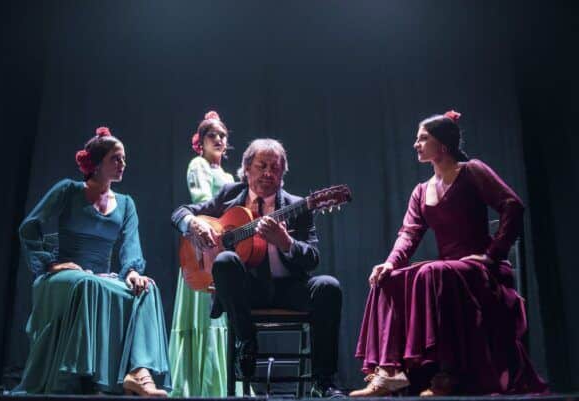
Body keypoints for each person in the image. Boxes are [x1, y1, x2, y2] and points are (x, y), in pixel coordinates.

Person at [350, 111, 548, 396]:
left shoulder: (472, 171)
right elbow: (408, 234)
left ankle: (447, 375)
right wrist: (390, 262)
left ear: (443, 145)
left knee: (432, 271)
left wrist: (492, 255)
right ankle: (389, 371)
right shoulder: (421, 190)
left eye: (422, 139)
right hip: (448, 270)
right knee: (387, 278)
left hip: (481, 269)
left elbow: (512, 206)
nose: (416, 144)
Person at [171, 139, 344, 397]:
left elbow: (312, 258)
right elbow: (180, 212)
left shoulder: (298, 207)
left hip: (288, 289)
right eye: (262, 166)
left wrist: (287, 244)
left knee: (328, 286)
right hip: (245, 293)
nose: (268, 173)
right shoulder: (229, 196)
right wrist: (192, 223)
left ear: (282, 174)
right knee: (224, 261)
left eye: (275, 168)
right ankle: (246, 342)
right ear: (246, 168)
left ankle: (323, 381)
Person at [16, 127, 170, 396]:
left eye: (124, 159)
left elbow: (131, 244)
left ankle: (138, 371)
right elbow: (29, 226)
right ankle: (84, 378)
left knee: (148, 288)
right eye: (116, 158)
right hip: (65, 277)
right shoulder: (68, 191)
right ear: (96, 164)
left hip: (101, 277)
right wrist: (50, 264)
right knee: (88, 283)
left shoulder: (125, 203)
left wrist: (133, 271)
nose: (123, 164)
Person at [168, 111, 235, 397]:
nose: (219, 139)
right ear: (201, 142)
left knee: (219, 316)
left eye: (222, 136)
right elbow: (202, 202)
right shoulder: (198, 165)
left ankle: (219, 386)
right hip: (202, 242)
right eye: (213, 135)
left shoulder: (230, 175)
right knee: (201, 314)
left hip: (222, 244)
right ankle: (191, 386)